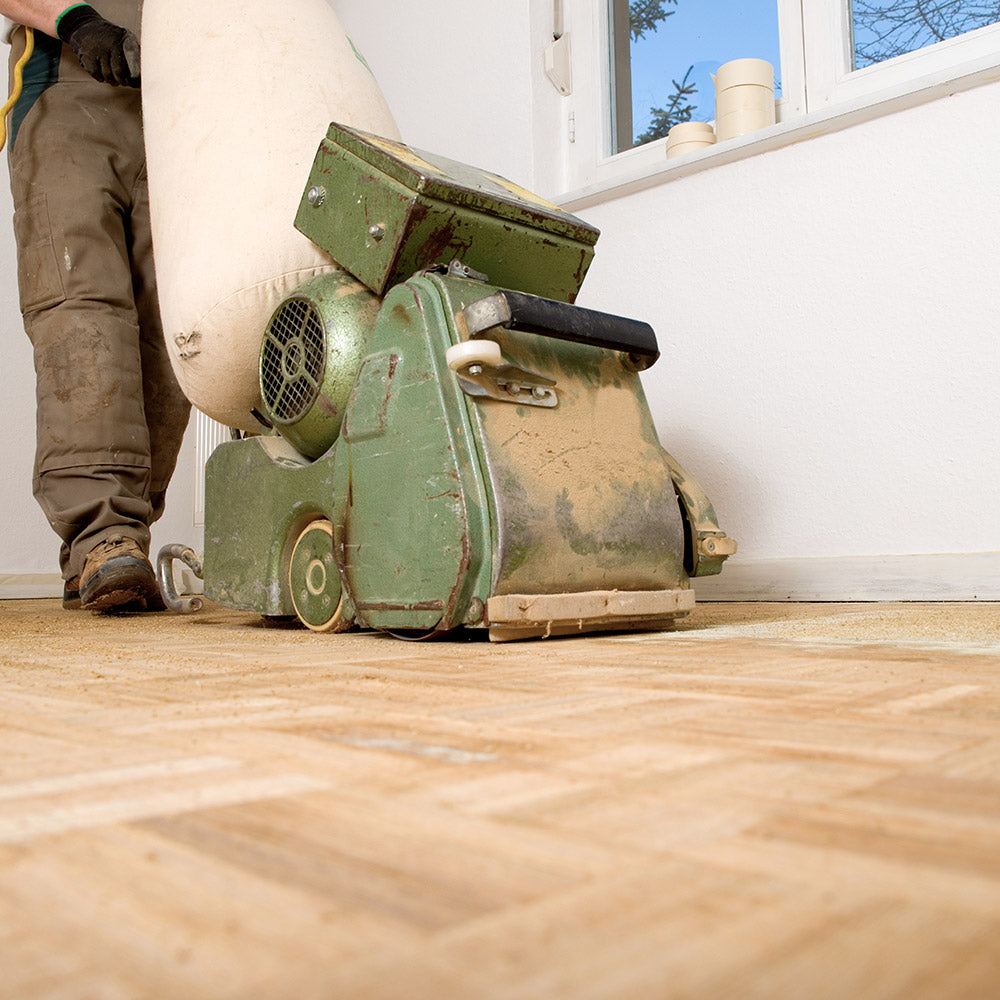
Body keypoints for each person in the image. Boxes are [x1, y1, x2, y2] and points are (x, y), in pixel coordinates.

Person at [2, 1, 190, 612]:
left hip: (189, 98)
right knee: (82, 309)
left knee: (182, 321)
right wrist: (76, 21)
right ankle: (102, 535)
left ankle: (123, 540)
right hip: (69, 82)